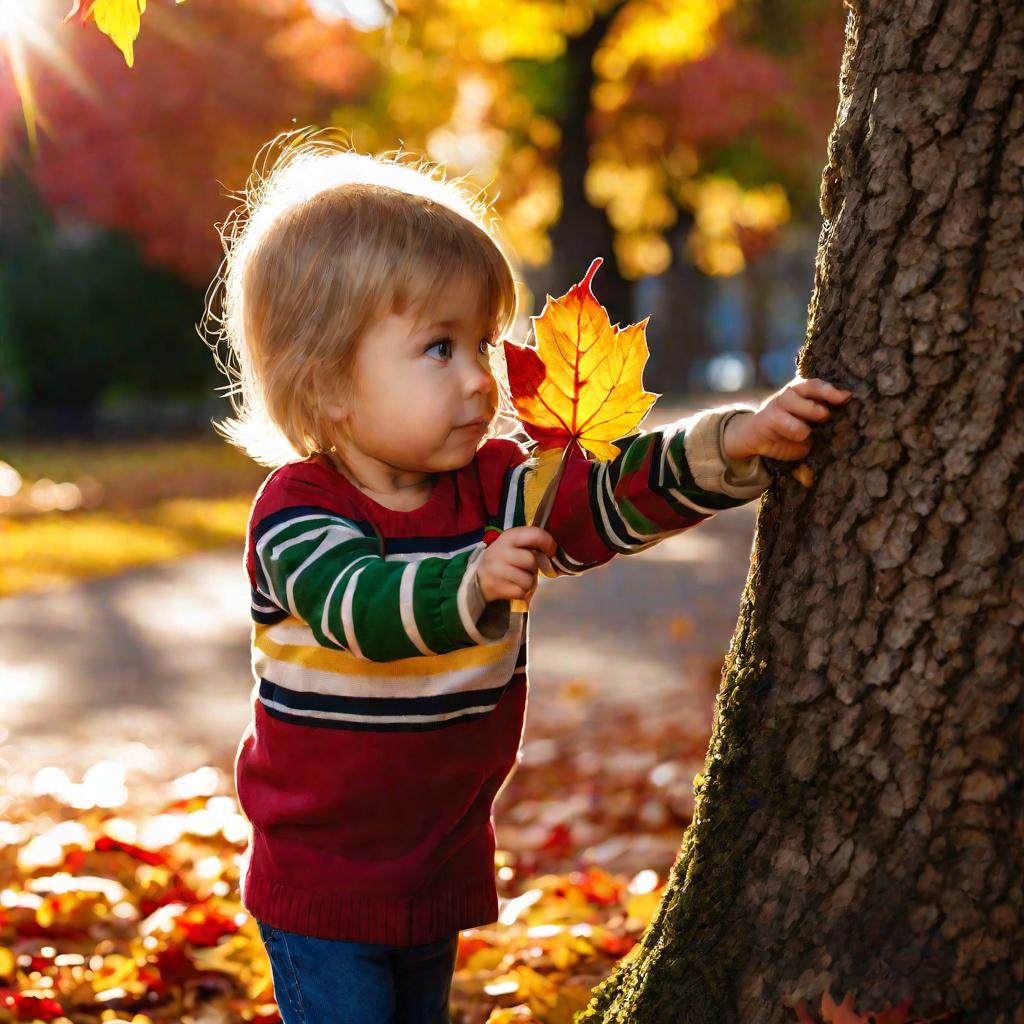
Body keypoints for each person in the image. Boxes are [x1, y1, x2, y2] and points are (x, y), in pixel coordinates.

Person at [203, 127, 854, 1024]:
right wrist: (471, 582)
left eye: (484, 343)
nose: (481, 380)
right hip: (323, 879)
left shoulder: (505, 482)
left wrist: (733, 442)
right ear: (327, 387)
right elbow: (361, 607)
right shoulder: (300, 509)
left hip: (438, 860)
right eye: (440, 349)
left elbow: (610, 496)